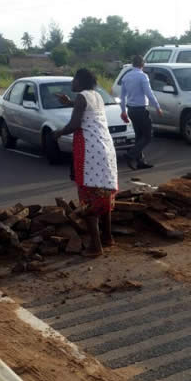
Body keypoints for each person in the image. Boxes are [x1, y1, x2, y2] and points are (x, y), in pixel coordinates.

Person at [54, 69, 118, 257]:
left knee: (88, 198)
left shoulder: (82, 97)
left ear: (80, 81)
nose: (72, 82)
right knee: (104, 195)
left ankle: (95, 246)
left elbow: (74, 125)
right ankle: (107, 237)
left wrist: (57, 133)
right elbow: (86, 110)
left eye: (74, 79)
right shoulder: (96, 95)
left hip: (90, 151)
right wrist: (69, 103)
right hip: (105, 148)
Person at [119, 55, 163, 170]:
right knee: (148, 136)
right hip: (141, 110)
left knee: (139, 136)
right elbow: (149, 93)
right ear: (143, 64)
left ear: (133, 64)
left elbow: (122, 96)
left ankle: (140, 162)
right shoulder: (142, 76)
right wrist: (157, 107)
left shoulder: (126, 76)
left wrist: (123, 111)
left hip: (131, 110)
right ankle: (131, 155)